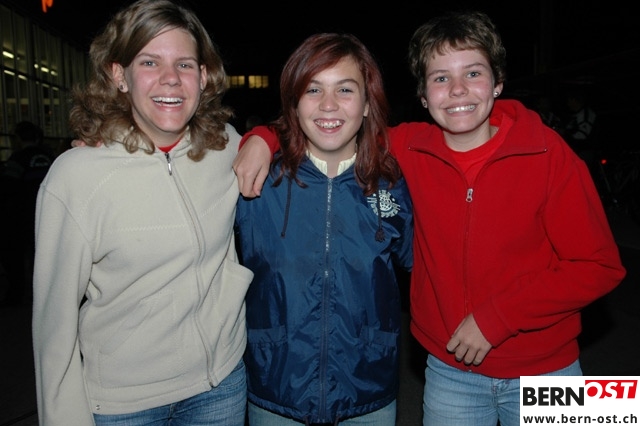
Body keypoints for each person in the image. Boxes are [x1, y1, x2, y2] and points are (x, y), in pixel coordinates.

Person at [233, 10, 626, 426]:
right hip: (451, 370)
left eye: (473, 73)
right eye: (440, 78)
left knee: (612, 414)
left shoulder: (549, 152)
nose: (457, 90)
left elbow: (601, 266)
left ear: (498, 82)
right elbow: (332, 125)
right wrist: (262, 137)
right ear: (423, 96)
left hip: (550, 368)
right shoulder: (409, 147)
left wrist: (496, 319)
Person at [32, 1, 253, 425]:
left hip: (220, 387)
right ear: (119, 75)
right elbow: (53, 325)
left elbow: (298, 143)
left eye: (184, 64)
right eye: (149, 62)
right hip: (125, 406)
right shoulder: (76, 177)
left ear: (203, 76)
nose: (171, 78)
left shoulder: (225, 146)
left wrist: (263, 138)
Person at [234, 33, 413, 425]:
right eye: (313, 89)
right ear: (294, 104)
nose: (328, 104)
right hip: (277, 390)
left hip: (367, 392)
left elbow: (426, 266)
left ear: (367, 104)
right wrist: (261, 136)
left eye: (345, 89)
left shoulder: (394, 183)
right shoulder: (257, 180)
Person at [0, 120, 54, 306]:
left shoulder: (18, 158)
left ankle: (16, 294)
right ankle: (42, 293)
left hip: (21, 214)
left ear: (18, 138)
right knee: (42, 255)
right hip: (47, 214)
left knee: (16, 255)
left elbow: (8, 187)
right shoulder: (50, 157)